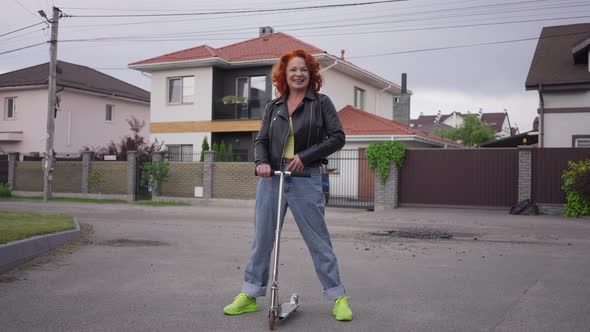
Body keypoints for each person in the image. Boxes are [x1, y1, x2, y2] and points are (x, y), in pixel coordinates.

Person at [223, 49, 353, 322]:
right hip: (272, 179)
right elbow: (260, 140)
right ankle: (249, 294)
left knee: (318, 241)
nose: (298, 74)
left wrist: (304, 157)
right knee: (262, 239)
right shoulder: (274, 106)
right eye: (293, 69)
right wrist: (261, 163)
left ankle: (338, 297)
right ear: (284, 74)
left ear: (311, 74)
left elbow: (337, 137)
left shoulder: (321, 103)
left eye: (304, 69)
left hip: (306, 177)